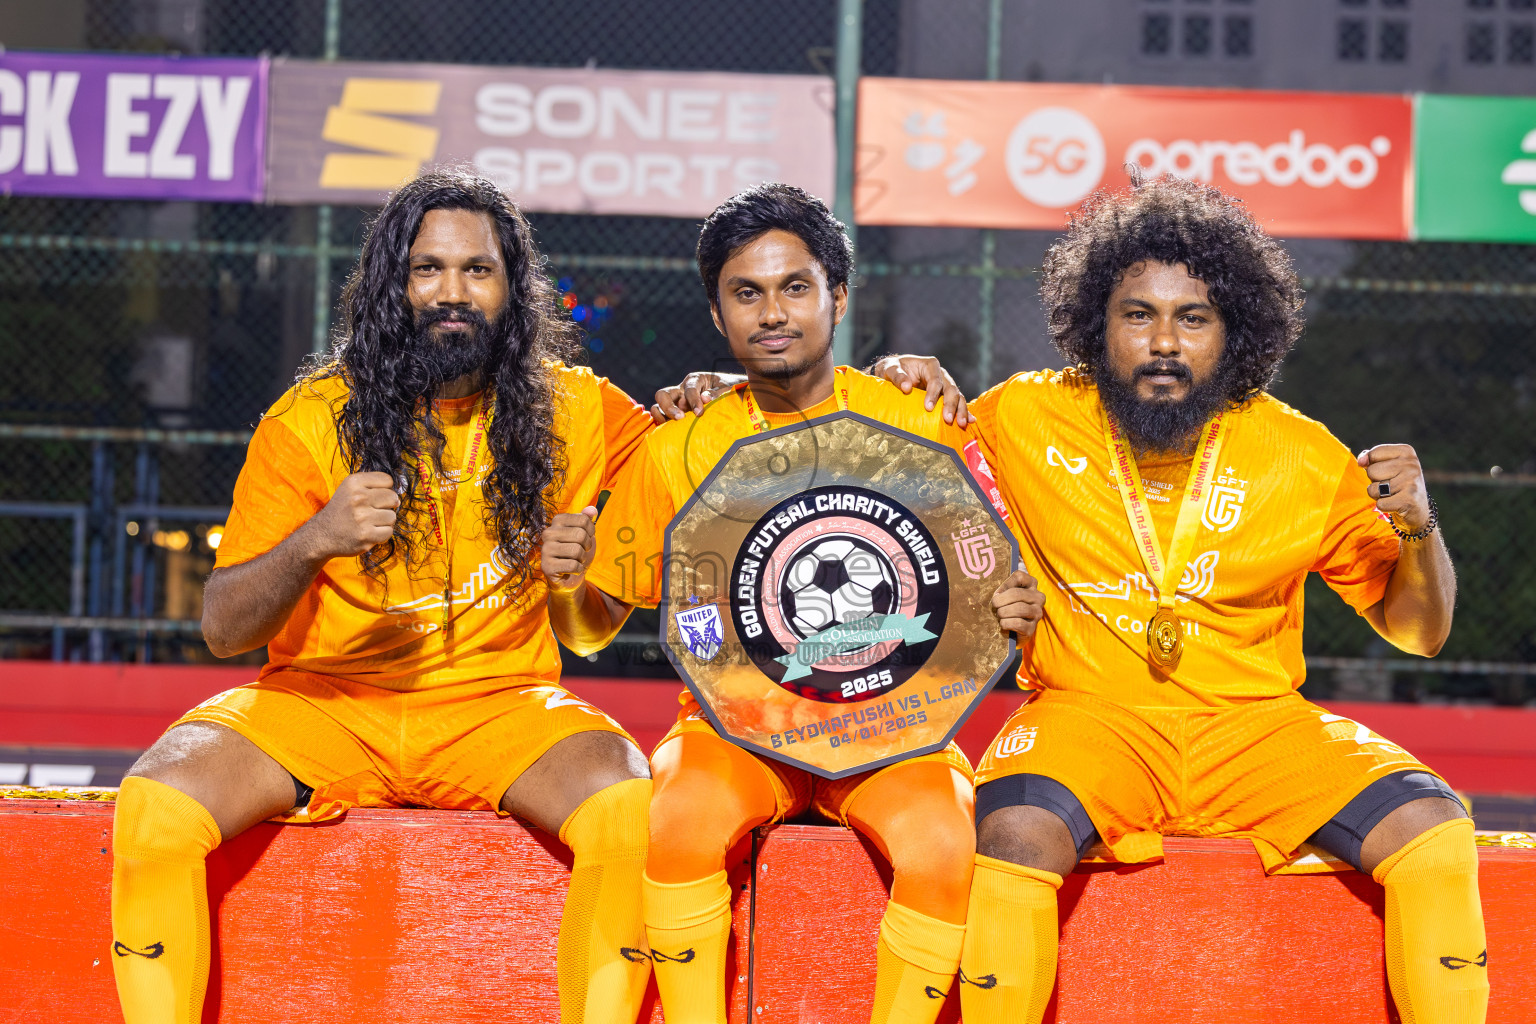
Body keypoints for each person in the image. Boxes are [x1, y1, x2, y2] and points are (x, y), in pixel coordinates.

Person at [873, 176, 1484, 1023]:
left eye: (1192, 317)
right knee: (1011, 840)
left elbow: (1419, 633)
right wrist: (895, 382)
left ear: (1234, 332)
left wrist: (1418, 526)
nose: (1164, 341)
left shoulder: (1303, 454)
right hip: (1090, 717)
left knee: (1436, 831)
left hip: (1258, 727)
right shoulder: (1023, 416)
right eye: (1138, 314)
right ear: (1099, 323)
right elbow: (876, 464)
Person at [109, 171, 659, 1024]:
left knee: (629, 805)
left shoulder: (579, 411)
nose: (451, 292)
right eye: (426, 268)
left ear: (513, 290)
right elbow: (223, 627)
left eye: (478, 270)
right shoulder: (309, 419)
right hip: (326, 706)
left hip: (499, 706)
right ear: (389, 285)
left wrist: (877, 389)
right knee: (155, 807)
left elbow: (707, 452)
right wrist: (314, 540)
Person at [539, 183, 1043, 1024]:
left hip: (894, 730)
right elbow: (592, 630)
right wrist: (566, 585)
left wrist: (1012, 609)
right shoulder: (678, 445)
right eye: (747, 293)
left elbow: (989, 584)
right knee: (676, 818)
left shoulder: (922, 423)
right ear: (717, 313)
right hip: (732, 729)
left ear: (837, 296)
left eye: (796, 287)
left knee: (947, 839)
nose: (773, 313)